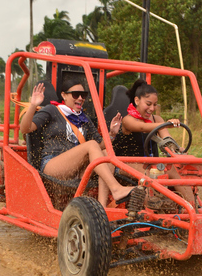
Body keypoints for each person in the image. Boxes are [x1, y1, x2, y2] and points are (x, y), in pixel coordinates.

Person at [20, 78, 135, 207]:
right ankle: (116, 189)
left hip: (77, 168)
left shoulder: (83, 118)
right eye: (75, 95)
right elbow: (25, 129)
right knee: (91, 144)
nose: (80, 98)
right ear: (64, 95)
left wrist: (111, 134)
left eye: (83, 95)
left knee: (106, 152)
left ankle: (102, 208)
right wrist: (33, 105)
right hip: (53, 165)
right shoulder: (52, 110)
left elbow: (100, 145)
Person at [113, 79, 194, 204]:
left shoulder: (157, 119)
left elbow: (167, 138)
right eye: (148, 104)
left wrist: (176, 150)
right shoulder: (128, 120)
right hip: (126, 164)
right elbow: (142, 128)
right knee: (151, 174)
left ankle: (193, 209)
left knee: (171, 169)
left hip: (150, 165)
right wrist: (165, 124)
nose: (152, 108)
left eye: (155, 105)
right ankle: (158, 207)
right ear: (137, 101)